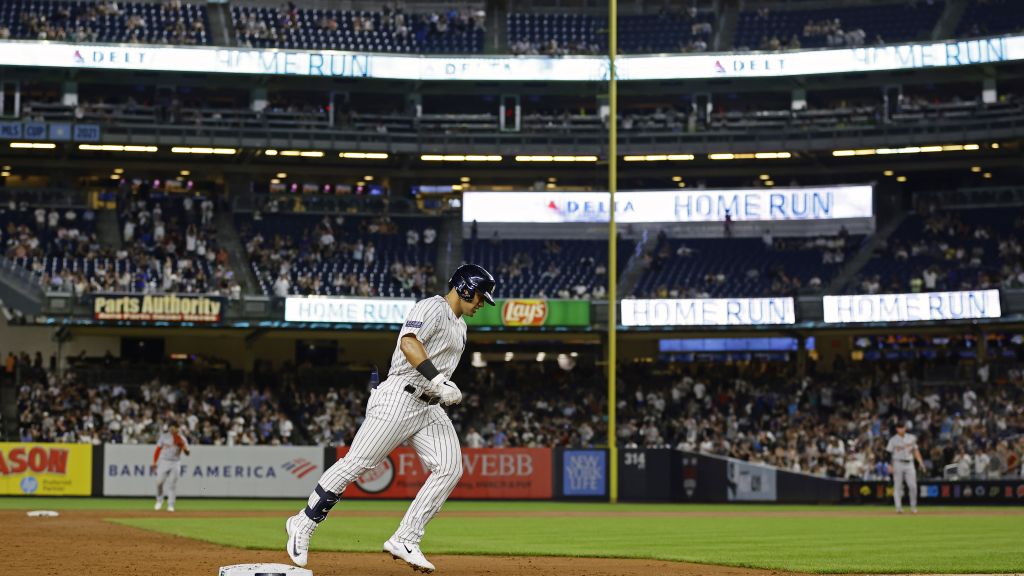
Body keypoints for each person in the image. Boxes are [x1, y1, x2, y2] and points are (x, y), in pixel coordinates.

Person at [285, 264, 497, 573]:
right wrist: (439, 381)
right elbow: (408, 342)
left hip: (428, 406)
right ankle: (303, 522)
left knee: (450, 468)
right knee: (357, 463)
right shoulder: (432, 307)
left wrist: (440, 388)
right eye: (480, 295)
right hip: (400, 395)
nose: (481, 303)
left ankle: (406, 538)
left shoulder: (461, 326)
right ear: (465, 288)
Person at [886, 420, 924, 513]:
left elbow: (916, 451)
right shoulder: (893, 439)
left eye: (902, 427)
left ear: (905, 428)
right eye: (899, 427)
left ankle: (913, 507)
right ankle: (898, 507)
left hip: (909, 463)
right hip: (897, 463)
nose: (901, 429)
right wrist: (890, 465)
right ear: (896, 429)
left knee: (913, 486)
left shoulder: (911, 438)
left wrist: (921, 462)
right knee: (898, 486)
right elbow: (888, 453)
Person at [153, 420, 190, 512]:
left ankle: (170, 504)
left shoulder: (182, 438)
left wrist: (182, 446)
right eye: (171, 426)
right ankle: (159, 500)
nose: (172, 428)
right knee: (159, 482)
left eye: (174, 426)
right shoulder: (164, 437)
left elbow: (187, 453)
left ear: (177, 428)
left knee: (172, 484)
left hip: (175, 462)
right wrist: (154, 462)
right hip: (164, 461)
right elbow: (158, 449)